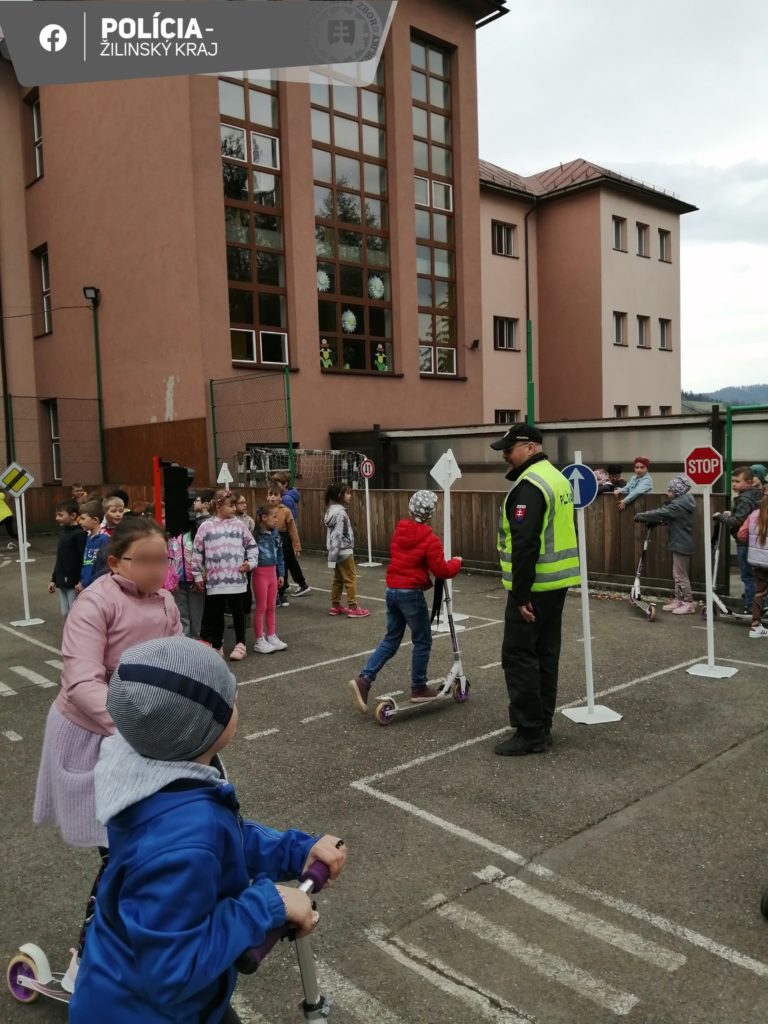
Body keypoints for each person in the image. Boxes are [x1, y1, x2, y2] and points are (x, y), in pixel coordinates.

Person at [68, 636, 347, 1024]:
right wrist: (270, 904)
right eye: (230, 698)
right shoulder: (182, 839)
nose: (237, 701)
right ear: (202, 729)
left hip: (162, 995)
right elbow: (173, 969)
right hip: (147, 1011)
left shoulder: (157, 771)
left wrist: (295, 850)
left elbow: (224, 837)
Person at [33, 517, 182, 993]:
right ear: (116, 562)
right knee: (119, 850)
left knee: (151, 845)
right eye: (150, 561)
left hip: (143, 733)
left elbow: (177, 660)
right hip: (93, 735)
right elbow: (81, 684)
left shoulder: (165, 601)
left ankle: (131, 941)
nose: (161, 570)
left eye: (166, 559)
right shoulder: (94, 603)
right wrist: (138, 732)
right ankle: (87, 960)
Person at [490, 423, 581, 756]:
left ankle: (529, 733)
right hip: (555, 585)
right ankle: (543, 725)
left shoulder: (530, 486)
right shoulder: (556, 478)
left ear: (529, 448)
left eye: (509, 450)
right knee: (546, 655)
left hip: (535, 587)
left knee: (519, 657)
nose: (505, 456)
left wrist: (520, 595)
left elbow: (525, 543)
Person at [349, 490, 462, 711]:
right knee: (422, 640)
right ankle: (419, 686)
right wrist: (457, 562)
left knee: (391, 639)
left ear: (410, 510)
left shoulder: (400, 530)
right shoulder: (430, 539)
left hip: (392, 590)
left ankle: (364, 680)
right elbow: (441, 570)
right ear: (430, 514)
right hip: (411, 593)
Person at [192, 490, 257, 661]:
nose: (235, 509)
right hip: (215, 582)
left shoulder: (240, 525)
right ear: (218, 505)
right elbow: (197, 551)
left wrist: (250, 563)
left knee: (238, 613)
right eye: (231, 505)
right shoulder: (205, 527)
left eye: (236, 505)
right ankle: (217, 646)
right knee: (216, 614)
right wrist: (197, 575)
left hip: (237, 580)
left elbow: (252, 547)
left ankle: (240, 643)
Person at [634, 477, 696, 614]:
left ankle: (689, 602)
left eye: (670, 490)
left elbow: (661, 512)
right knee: (677, 574)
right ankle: (679, 600)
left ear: (677, 492)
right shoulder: (682, 504)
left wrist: (641, 515)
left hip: (681, 544)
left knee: (681, 574)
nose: (667, 493)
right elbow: (670, 517)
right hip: (678, 542)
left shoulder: (678, 505)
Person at [714, 466, 763, 615]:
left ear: (749, 483)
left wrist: (721, 517)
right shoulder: (756, 495)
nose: (734, 484)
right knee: (758, 577)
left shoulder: (743, 499)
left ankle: (750, 607)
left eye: (737, 481)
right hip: (756, 541)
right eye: (732, 481)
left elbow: (738, 522)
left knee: (748, 577)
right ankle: (762, 605)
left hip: (745, 542)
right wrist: (732, 513)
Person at [324, 483, 369, 618]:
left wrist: (332, 555)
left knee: (338, 579)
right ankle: (353, 607)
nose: (350, 495)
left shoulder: (329, 511)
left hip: (335, 551)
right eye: (347, 493)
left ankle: (335, 605)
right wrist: (334, 555)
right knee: (350, 578)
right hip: (344, 551)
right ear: (340, 496)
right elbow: (337, 535)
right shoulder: (341, 514)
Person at [251, 505, 287, 654]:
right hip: (260, 573)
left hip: (272, 573)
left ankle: (271, 635)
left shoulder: (276, 534)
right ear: (264, 518)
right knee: (261, 607)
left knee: (272, 606)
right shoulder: (255, 536)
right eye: (274, 516)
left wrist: (281, 573)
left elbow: (280, 554)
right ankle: (259, 639)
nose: (276, 519)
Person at [266, 484, 309, 603]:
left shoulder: (285, 511)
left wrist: (297, 546)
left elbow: (292, 530)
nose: (273, 497)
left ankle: (281, 593)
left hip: (283, 539)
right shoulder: (263, 510)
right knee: (269, 567)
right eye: (270, 494)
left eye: (276, 495)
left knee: (282, 566)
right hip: (268, 539)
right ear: (267, 497)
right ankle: (271, 593)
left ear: (281, 497)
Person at [48, 499, 87, 618]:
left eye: (60, 515)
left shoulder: (79, 534)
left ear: (73, 516)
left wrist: (81, 580)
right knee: (65, 612)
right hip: (61, 580)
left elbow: (83, 559)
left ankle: (75, 635)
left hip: (73, 581)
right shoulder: (63, 533)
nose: (57, 518)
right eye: (57, 515)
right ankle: (68, 634)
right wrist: (53, 579)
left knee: (73, 612)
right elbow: (60, 559)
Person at [738, 495, 768, 638]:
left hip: (757, 561)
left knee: (759, 593)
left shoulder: (753, 514)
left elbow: (741, 535)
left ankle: (755, 626)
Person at [167, 527, 204, 639]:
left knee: (196, 615)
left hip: (195, 582)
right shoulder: (171, 538)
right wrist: (173, 580)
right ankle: (185, 642)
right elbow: (169, 559)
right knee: (182, 615)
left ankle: (195, 641)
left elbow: (203, 557)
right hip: (178, 583)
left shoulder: (196, 533)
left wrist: (199, 577)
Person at [77, 500, 111, 591]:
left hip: (97, 587)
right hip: (85, 585)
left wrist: (89, 583)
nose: (79, 522)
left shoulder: (104, 539)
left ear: (95, 520)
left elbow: (105, 567)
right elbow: (86, 562)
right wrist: (82, 581)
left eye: (83, 518)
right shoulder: (89, 538)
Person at [234, 492, 256, 615]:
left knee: (246, 585)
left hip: (245, 557)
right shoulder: (230, 520)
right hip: (234, 558)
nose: (245, 505)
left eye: (245, 502)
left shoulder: (248, 521)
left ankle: (246, 614)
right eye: (241, 503)